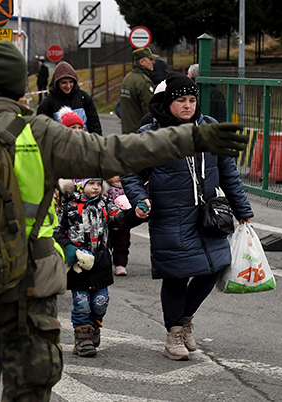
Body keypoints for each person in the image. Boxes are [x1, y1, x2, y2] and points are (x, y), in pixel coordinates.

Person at [0, 40, 249, 401]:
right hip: (27, 284)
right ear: (20, 87)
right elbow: (115, 153)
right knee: (28, 391)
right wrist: (191, 137)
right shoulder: (37, 132)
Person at [121, 72, 253, 361]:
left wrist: (243, 211)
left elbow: (229, 173)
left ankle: (185, 320)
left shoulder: (210, 129)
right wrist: (139, 199)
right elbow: (131, 174)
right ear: (168, 102)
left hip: (210, 215)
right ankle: (173, 334)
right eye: (181, 100)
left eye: (192, 99)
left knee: (214, 268)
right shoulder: (151, 135)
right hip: (171, 216)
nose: (188, 105)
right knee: (177, 276)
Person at [54, 178, 145, 357]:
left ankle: (94, 326)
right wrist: (68, 246)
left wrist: (137, 213)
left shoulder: (105, 204)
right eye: (91, 184)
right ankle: (82, 339)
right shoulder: (67, 205)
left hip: (100, 262)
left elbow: (122, 219)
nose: (96, 187)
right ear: (80, 185)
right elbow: (56, 230)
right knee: (81, 304)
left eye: (98, 184)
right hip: (79, 263)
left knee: (100, 303)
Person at [37, 61, 102, 135]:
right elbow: (41, 129)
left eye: (71, 82)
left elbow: (94, 124)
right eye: (64, 83)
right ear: (57, 83)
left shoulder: (83, 98)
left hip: (84, 143)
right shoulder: (48, 102)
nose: (68, 86)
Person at [120, 47, 158, 134]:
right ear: (142, 62)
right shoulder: (143, 82)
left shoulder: (127, 78)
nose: (153, 62)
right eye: (150, 59)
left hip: (127, 131)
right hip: (140, 133)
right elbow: (149, 109)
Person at [105, 175, 131, 276]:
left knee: (123, 243)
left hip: (123, 221)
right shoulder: (104, 187)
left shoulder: (129, 186)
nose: (118, 177)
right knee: (106, 244)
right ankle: (106, 264)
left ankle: (120, 264)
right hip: (108, 221)